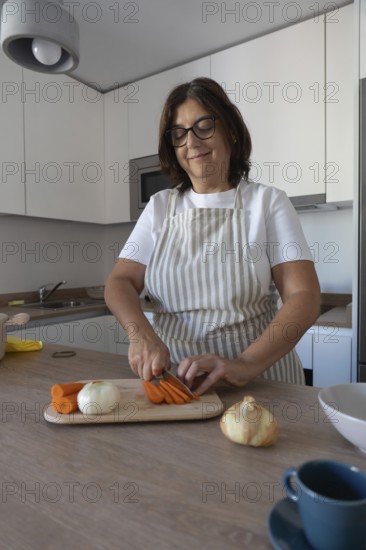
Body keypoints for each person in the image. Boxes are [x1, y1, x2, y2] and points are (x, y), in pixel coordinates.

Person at [105, 77, 320, 395]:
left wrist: (245, 364)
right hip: (179, 384)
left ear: (231, 131)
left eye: (203, 126)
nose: (191, 142)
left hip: (261, 380)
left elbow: (304, 296)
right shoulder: (160, 207)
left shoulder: (266, 202)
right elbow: (120, 281)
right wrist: (141, 334)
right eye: (179, 133)